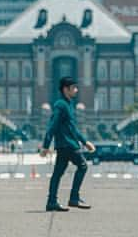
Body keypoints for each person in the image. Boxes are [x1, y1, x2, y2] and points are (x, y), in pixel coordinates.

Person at [39, 76, 96, 212]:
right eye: (74, 88)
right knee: (82, 166)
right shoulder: (60, 105)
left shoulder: (68, 104)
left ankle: (51, 202)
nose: (76, 90)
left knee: (57, 174)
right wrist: (46, 146)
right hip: (68, 144)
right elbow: (52, 125)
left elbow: (72, 127)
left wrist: (85, 142)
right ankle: (74, 198)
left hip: (66, 144)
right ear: (66, 89)